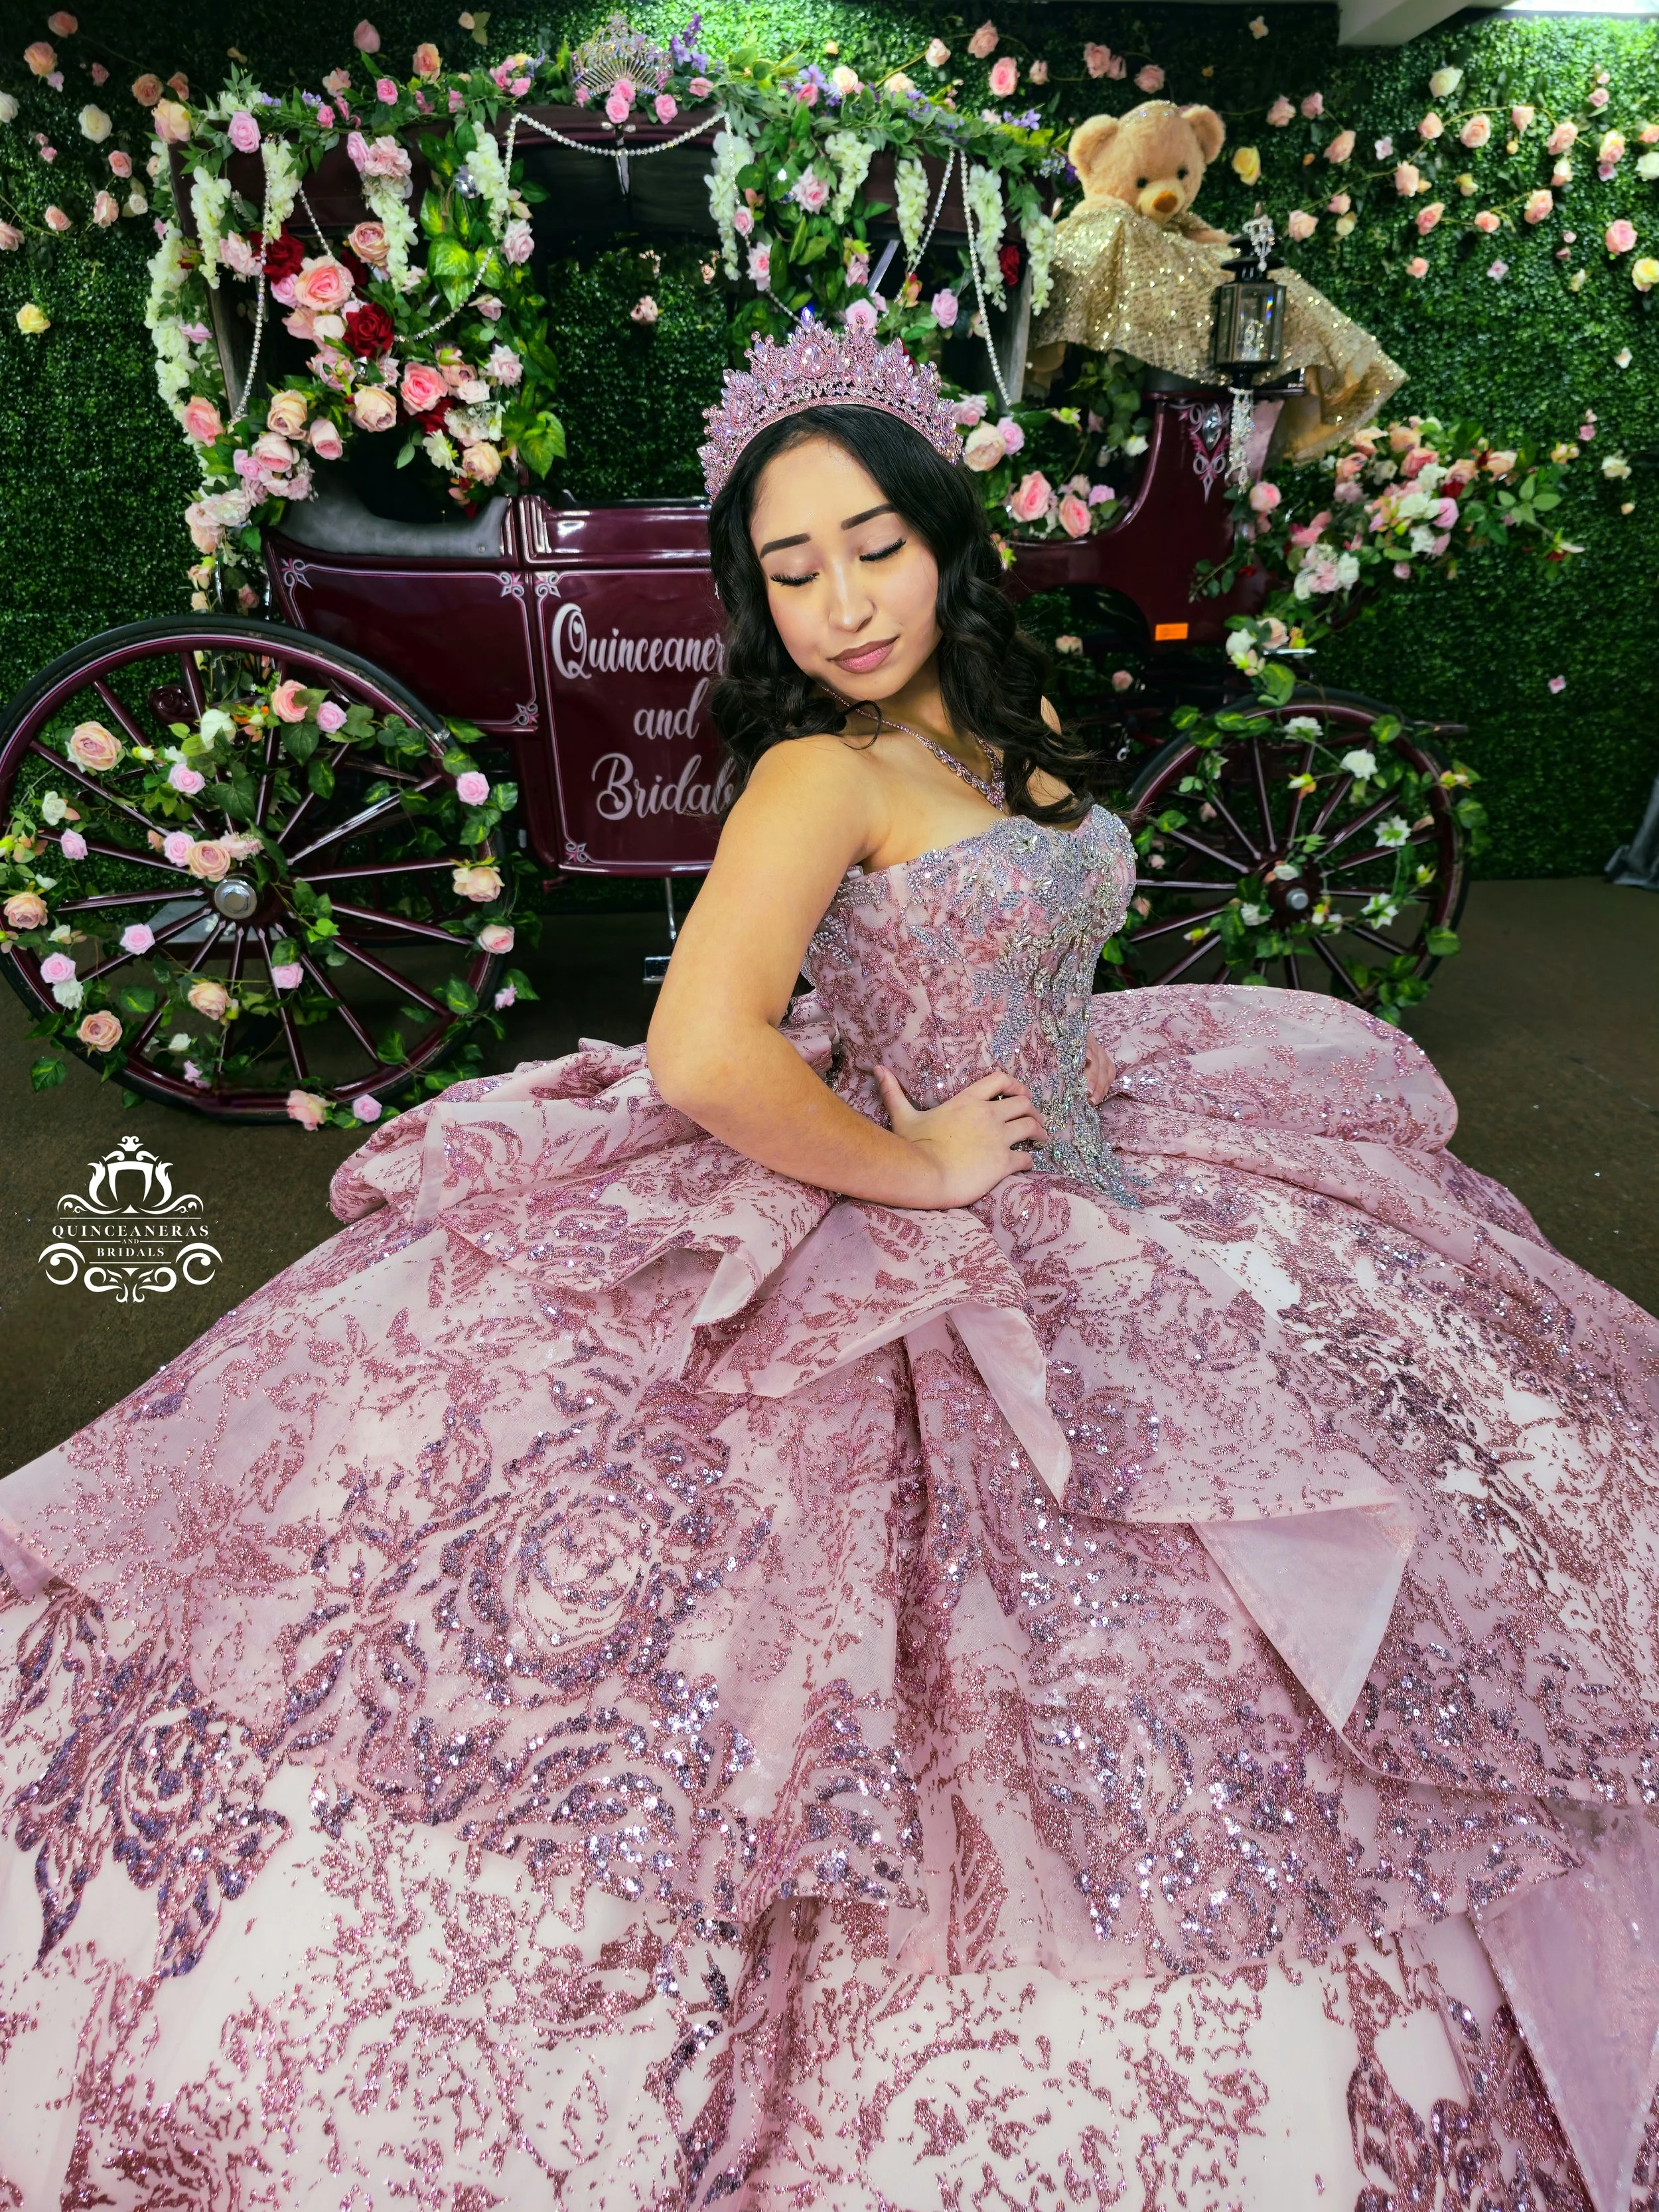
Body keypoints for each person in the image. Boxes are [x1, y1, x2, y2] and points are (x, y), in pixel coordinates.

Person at [1, 322, 1656, 2212]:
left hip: (1094, 1151)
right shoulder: (818, 770)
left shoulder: (993, 726)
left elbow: (1006, 951)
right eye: (790, 573)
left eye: (873, 547)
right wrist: (917, 1164)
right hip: (941, 1182)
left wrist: (1001, 1088)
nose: (843, 604)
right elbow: (706, 1052)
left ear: (946, 541)